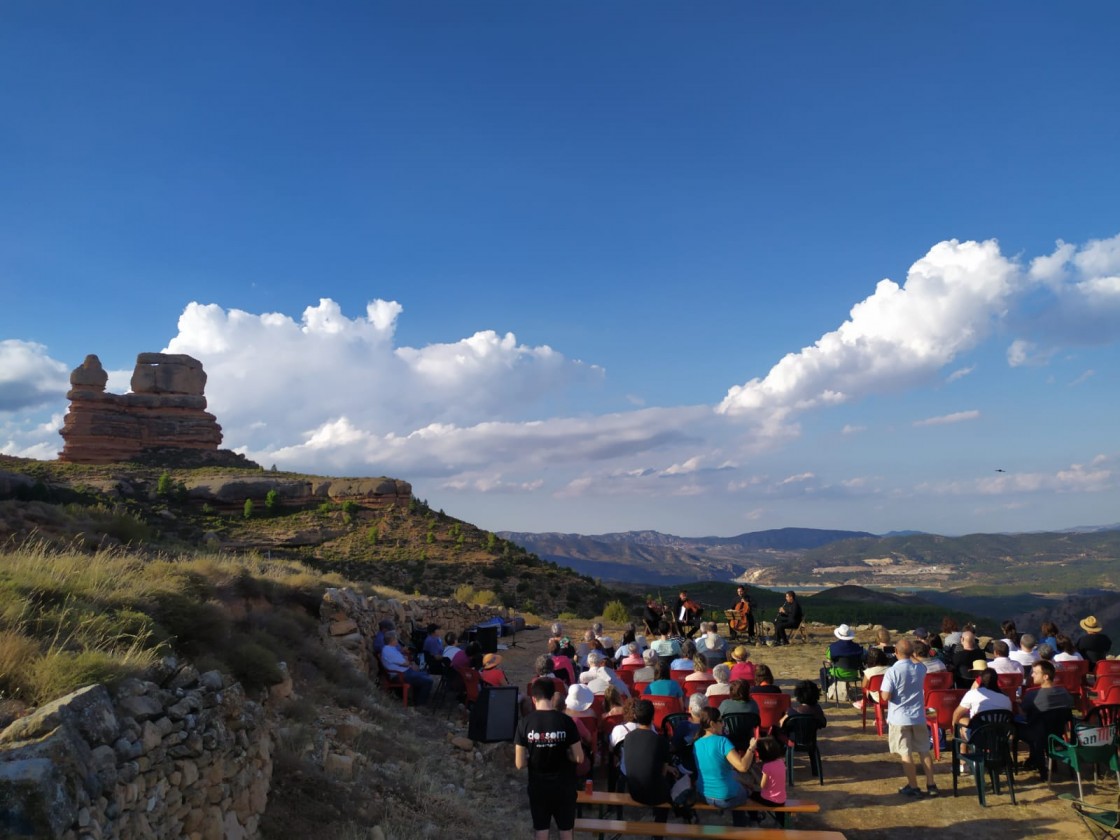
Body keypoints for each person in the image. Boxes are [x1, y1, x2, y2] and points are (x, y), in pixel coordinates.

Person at [515, 678, 585, 840]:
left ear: (533, 698)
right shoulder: (566, 721)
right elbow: (579, 757)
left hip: (538, 786)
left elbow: (519, 764)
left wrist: (533, 757)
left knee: (541, 830)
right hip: (564, 786)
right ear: (553, 696)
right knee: (566, 831)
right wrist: (566, 754)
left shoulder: (524, 723)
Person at [880, 638, 938, 797]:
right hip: (918, 716)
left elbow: (885, 697)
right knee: (924, 750)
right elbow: (919, 663)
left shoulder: (892, 671)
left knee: (905, 752)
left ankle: (913, 786)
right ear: (912, 652)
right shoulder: (920, 669)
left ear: (896, 652)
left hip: (899, 717)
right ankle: (931, 784)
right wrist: (912, 652)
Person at [693, 708, 755, 826]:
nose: (723, 724)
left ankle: (741, 822)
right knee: (745, 792)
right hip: (726, 797)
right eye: (720, 721)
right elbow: (743, 767)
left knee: (735, 782)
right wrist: (751, 748)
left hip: (704, 794)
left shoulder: (696, 743)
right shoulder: (722, 741)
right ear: (712, 724)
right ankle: (742, 823)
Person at [620, 699, 675, 825]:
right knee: (669, 781)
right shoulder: (660, 741)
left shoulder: (628, 737)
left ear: (635, 716)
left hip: (634, 790)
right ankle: (658, 830)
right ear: (653, 716)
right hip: (653, 794)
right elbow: (663, 772)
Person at [1018, 660, 1074, 778]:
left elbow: (1023, 712)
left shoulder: (1032, 695)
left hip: (1037, 734)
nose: (1032, 675)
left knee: (1016, 725)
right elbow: (1069, 707)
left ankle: (1034, 761)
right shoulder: (1064, 692)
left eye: (1035, 673)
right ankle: (1039, 760)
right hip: (1057, 732)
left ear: (1046, 676)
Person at [952, 667, 1012, 740]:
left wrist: (954, 730)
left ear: (981, 680)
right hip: (1000, 736)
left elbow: (957, 713)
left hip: (979, 736)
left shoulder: (973, 693)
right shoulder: (1006, 698)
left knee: (961, 720)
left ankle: (963, 750)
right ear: (996, 680)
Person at [379, 630, 433, 705]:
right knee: (428, 680)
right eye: (396, 638)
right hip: (400, 675)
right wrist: (411, 664)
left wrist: (409, 663)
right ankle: (420, 704)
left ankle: (416, 700)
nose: (397, 640)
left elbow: (404, 660)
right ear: (392, 639)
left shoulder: (391, 649)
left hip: (405, 672)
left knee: (425, 674)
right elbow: (405, 663)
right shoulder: (388, 650)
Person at [748, 735, 788, 821]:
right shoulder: (781, 762)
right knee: (779, 806)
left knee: (751, 795)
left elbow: (763, 786)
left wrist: (754, 774)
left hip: (769, 800)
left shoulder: (767, 766)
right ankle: (781, 823)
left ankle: (754, 818)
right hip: (782, 799)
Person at [821, 623, 863, 700]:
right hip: (853, 674)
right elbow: (862, 659)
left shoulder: (833, 647)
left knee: (823, 670)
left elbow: (829, 661)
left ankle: (825, 690)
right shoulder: (858, 647)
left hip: (838, 674)